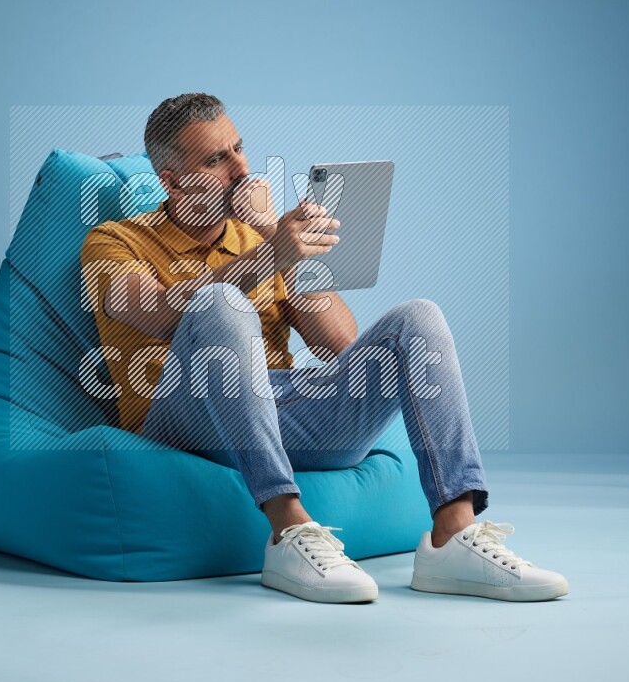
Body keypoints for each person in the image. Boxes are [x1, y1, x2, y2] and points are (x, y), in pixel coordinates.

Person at [80, 93, 569, 605]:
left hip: (283, 410)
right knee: (220, 303)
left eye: (239, 149)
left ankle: (454, 533)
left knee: (417, 318)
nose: (241, 170)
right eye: (216, 159)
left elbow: (339, 342)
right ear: (172, 180)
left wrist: (272, 236)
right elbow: (162, 312)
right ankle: (288, 531)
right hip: (182, 419)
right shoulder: (112, 242)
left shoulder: (263, 239)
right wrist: (269, 255)